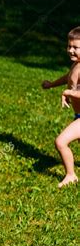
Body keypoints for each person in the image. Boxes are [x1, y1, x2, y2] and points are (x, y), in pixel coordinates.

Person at [42, 26, 80, 188]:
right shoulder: (76, 65)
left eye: (76, 47)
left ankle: (71, 175)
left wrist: (68, 93)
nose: (71, 50)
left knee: (61, 142)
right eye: (69, 46)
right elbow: (68, 78)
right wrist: (52, 84)